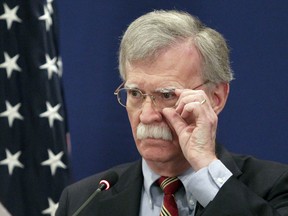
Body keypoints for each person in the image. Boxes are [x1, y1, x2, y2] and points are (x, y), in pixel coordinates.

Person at [56, 10, 288, 216]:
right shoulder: (82, 201)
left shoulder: (275, 187)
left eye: (167, 95)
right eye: (135, 93)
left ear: (216, 98)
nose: (147, 116)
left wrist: (206, 167)